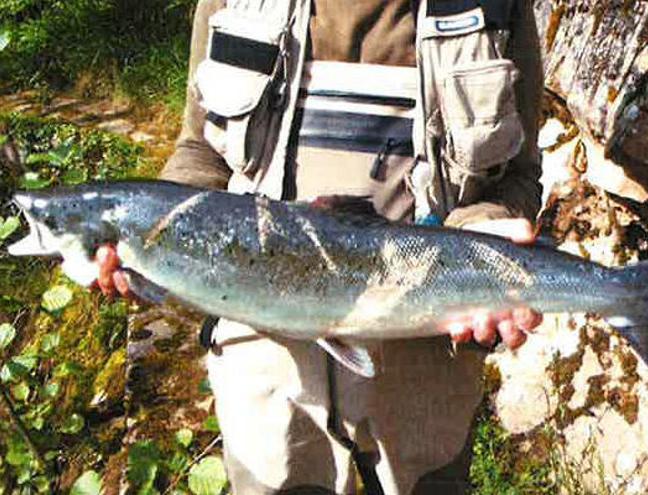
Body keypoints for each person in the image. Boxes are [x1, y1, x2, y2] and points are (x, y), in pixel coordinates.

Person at [96, 0, 543, 493]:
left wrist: (485, 228)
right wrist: (147, 231)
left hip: (427, 362)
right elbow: (200, 152)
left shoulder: (496, 9)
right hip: (263, 359)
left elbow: (515, 176)